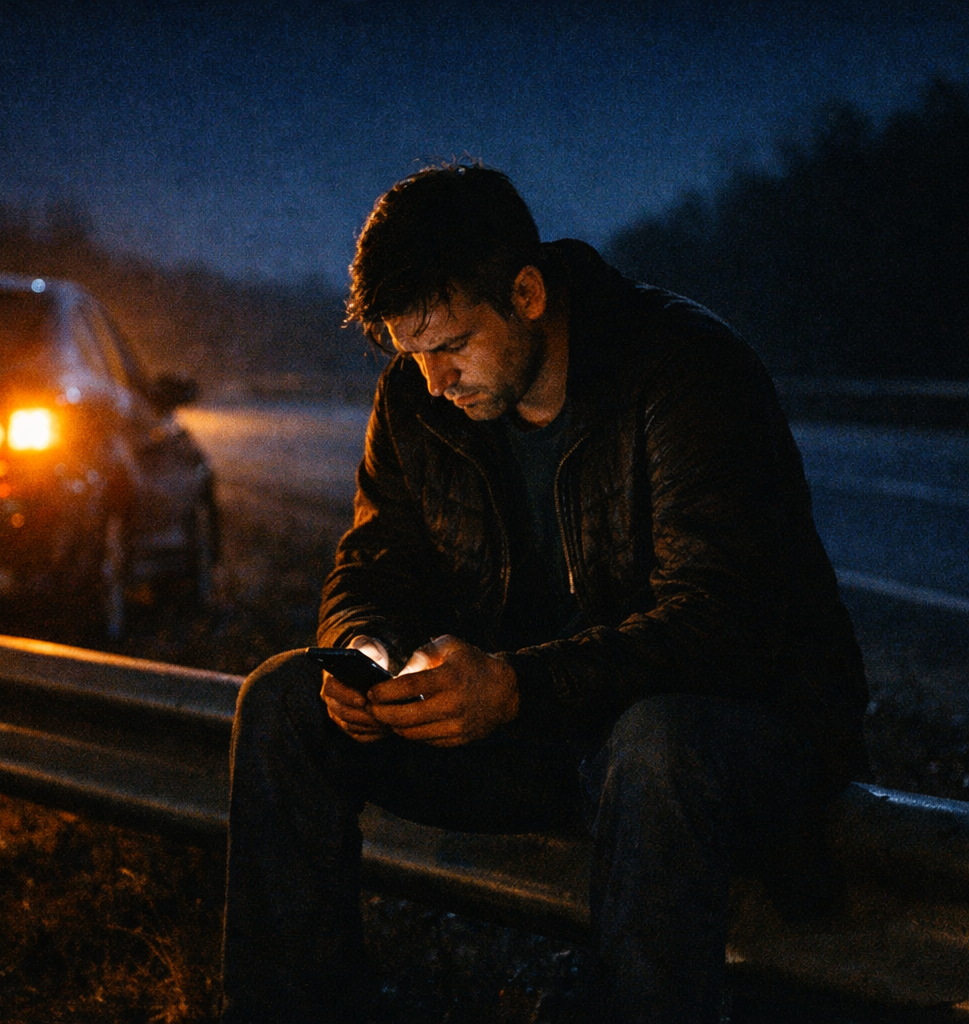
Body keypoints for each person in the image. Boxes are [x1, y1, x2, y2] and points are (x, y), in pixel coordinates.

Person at [221, 164, 868, 1023]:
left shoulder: (683, 369)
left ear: (526, 292)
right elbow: (373, 564)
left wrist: (517, 688)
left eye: (449, 347)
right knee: (285, 699)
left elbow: (726, 626)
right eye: (410, 354)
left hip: (733, 733)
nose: (433, 382)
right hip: (536, 733)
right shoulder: (418, 403)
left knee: (655, 742)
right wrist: (365, 654)